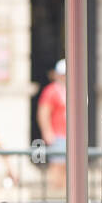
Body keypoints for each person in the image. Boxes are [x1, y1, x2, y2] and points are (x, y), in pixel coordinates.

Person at [36, 59, 67, 195]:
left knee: (66, 166)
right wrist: (47, 131)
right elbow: (43, 112)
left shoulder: (67, 90)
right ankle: (55, 193)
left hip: (67, 134)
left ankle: (64, 193)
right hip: (58, 134)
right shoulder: (51, 91)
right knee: (57, 165)